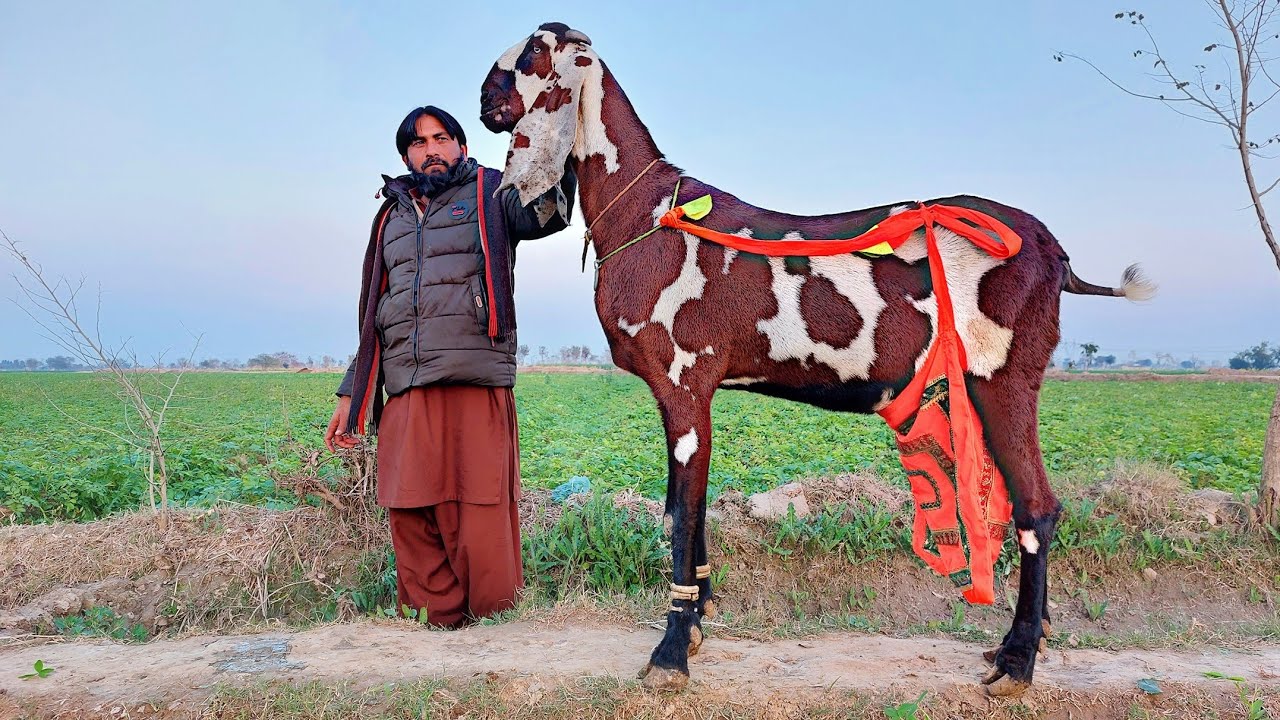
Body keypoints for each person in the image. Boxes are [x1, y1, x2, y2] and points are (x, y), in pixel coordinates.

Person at [324, 105, 574, 627]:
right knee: (408, 509)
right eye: (419, 143)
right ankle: (432, 625)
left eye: (442, 138)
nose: (431, 149)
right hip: (405, 386)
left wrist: (549, 140)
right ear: (405, 157)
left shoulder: (491, 193)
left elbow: (546, 212)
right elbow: (378, 313)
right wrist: (352, 393)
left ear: (461, 146)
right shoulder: (390, 219)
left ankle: (493, 627)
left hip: (473, 376)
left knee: (480, 513)